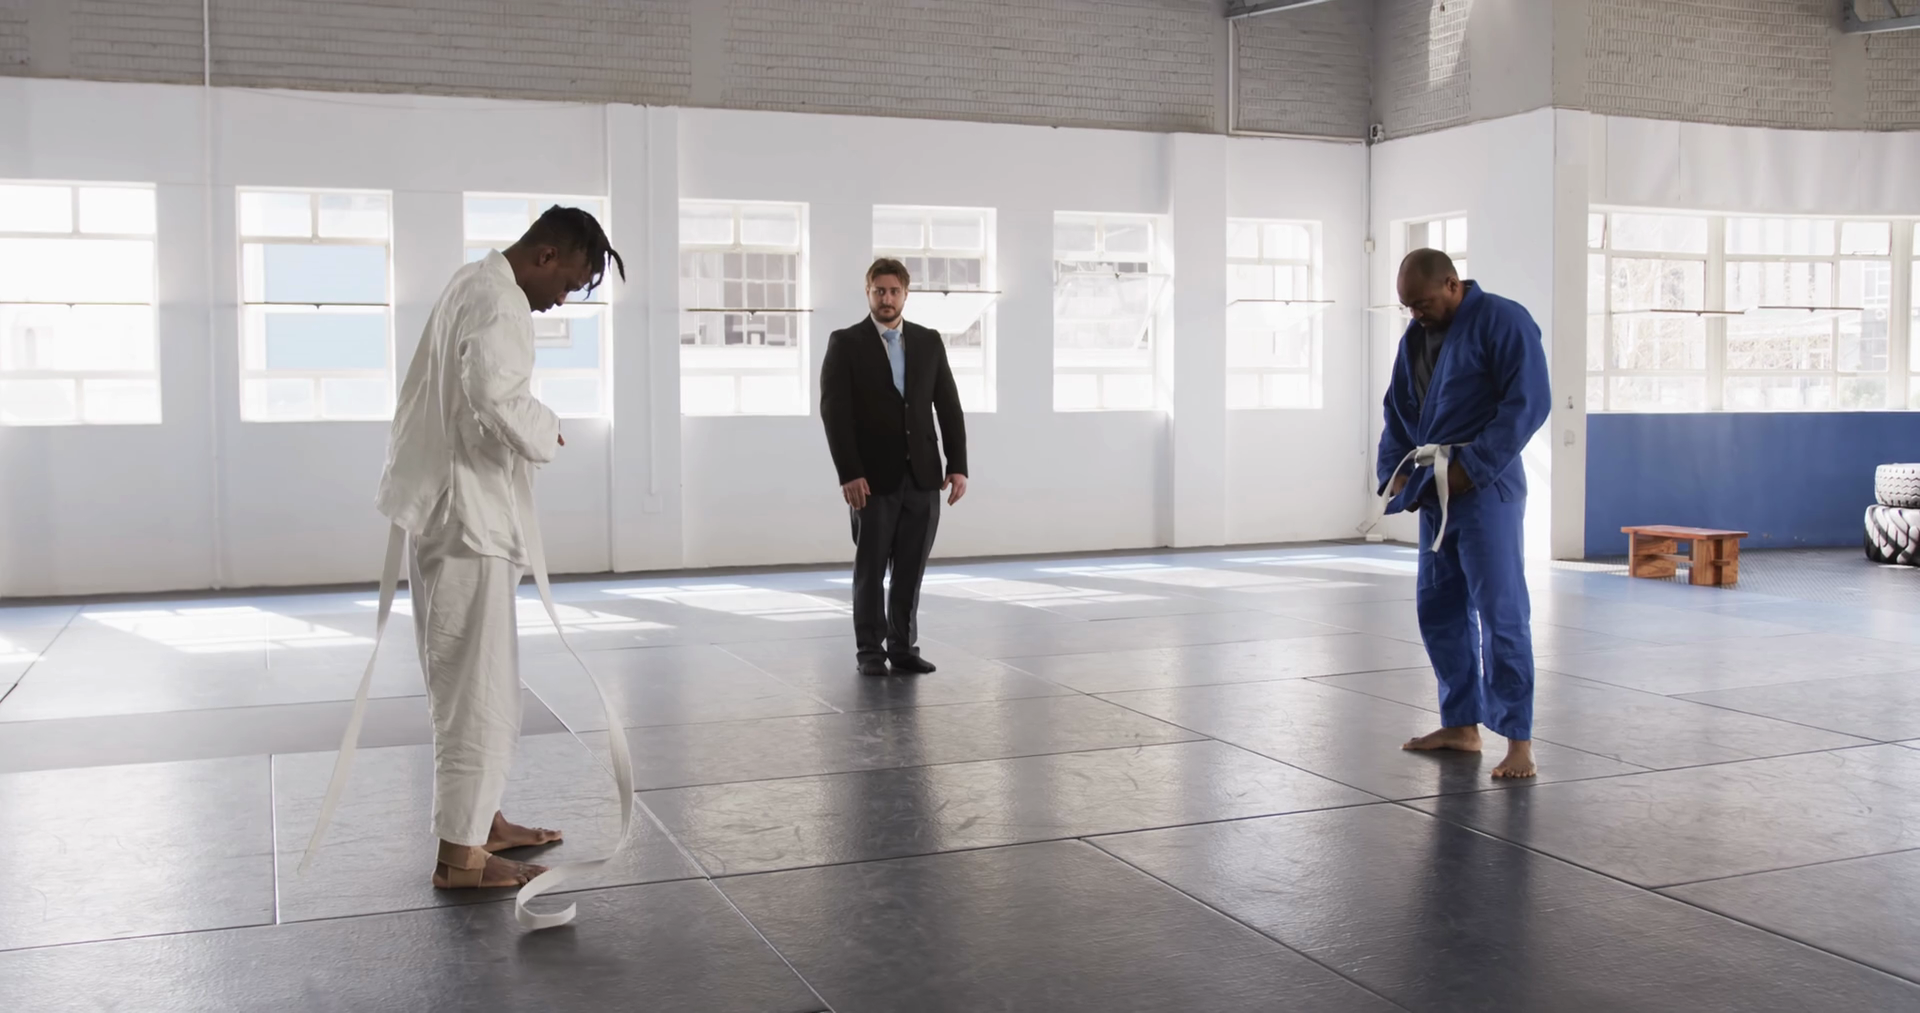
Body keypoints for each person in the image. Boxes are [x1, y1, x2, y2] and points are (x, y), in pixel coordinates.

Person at [376, 206, 623, 887]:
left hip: (448, 510)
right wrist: (545, 427)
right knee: (476, 686)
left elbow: (464, 390)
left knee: (467, 678)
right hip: (466, 520)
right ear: (546, 255)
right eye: (568, 282)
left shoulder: (471, 282)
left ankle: (480, 821)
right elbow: (493, 391)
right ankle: (460, 857)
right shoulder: (500, 299)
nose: (561, 300)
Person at [1377, 249, 1550, 779]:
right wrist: (1394, 472)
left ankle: (1518, 741)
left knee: (1501, 614)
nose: (1415, 314)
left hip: (1485, 489)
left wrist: (1470, 470)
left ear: (1453, 284)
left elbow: (1527, 403)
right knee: (1439, 609)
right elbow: (1398, 410)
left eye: (1422, 303)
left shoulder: (1504, 320)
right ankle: (1461, 725)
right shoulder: (1415, 337)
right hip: (1436, 491)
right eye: (1408, 306)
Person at [820, 258, 969, 677]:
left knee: (910, 568)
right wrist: (849, 472)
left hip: (923, 475)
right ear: (868, 293)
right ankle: (870, 652)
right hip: (871, 479)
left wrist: (958, 465)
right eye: (879, 291)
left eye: (893, 291)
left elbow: (949, 406)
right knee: (870, 569)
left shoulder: (928, 341)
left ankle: (903, 648)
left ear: (905, 294)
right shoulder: (845, 343)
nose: (886, 299)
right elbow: (834, 413)